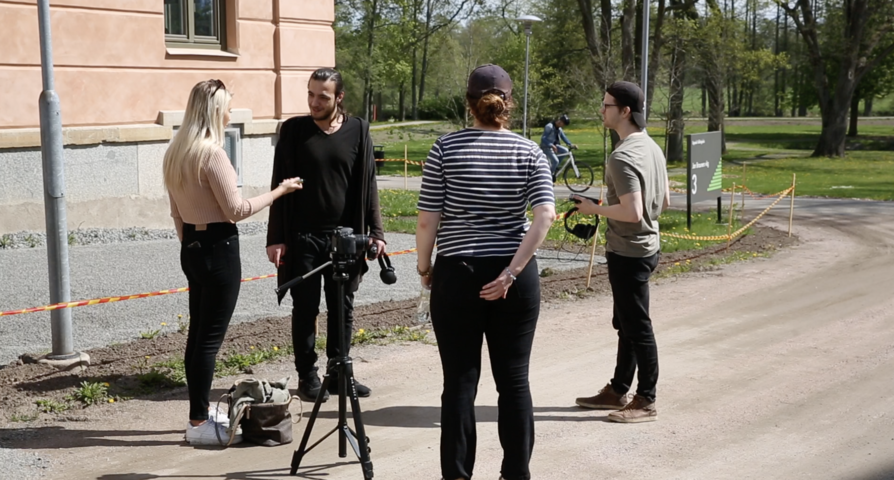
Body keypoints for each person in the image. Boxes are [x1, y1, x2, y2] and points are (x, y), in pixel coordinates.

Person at [416, 64, 556, 480]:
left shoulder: (445, 149)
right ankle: (516, 474)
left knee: (460, 383)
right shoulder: (529, 151)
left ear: (469, 103)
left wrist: (425, 268)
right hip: (514, 276)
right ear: (508, 104)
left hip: (457, 273)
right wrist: (511, 273)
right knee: (513, 381)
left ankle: (458, 475)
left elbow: (427, 221)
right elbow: (545, 215)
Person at [165, 79, 303, 445]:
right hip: (219, 247)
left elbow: (176, 212)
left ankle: (197, 413)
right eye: (227, 107)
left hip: (192, 246)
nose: (229, 114)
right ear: (215, 111)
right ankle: (198, 421)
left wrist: (191, 246)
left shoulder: (175, 151)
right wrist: (281, 190)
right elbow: (237, 210)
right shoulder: (212, 154)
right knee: (208, 341)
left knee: (197, 336)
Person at [266, 68, 386, 403]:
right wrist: (276, 237)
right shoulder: (294, 130)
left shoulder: (358, 129)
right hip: (302, 237)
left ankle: (339, 374)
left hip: (345, 240)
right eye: (310, 94)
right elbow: (279, 185)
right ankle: (308, 376)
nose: (314, 102)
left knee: (342, 307)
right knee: (305, 308)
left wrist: (376, 232)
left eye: (323, 96)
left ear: (339, 97)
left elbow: (369, 184)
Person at [571, 81, 669, 423]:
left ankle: (646, 400)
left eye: (607, 105)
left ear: (625, 111)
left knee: (637, 327)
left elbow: (632, 212)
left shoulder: (622, 155)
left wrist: (593, 209)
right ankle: (618, 389)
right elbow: (663, 203)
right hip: (647, 247)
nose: (601, 110)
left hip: (628, 252)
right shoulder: (652, 148)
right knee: (626, 323)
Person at [540, 113, 576, 180]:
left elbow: (564, 137)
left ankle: (555, 166)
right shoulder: (549, 126)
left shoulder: (559, 129)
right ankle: (549, 177)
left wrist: (570, 144)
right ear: (560, 122)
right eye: (563, 124)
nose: (563, 126)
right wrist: (551, 145)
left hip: (554, 145)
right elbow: (543, 138)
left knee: (566, 151)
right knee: (555, 161)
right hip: (546, 147)